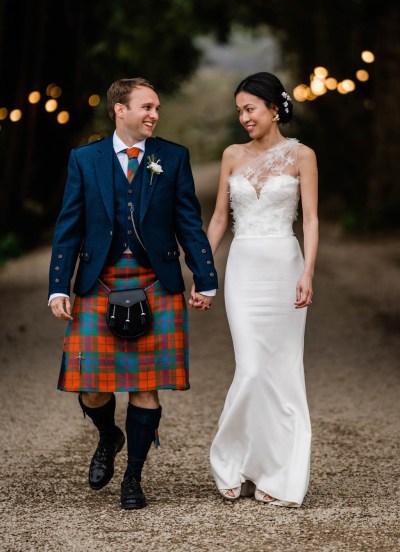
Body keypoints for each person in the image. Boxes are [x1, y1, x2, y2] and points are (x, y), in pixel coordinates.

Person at [48, 77, 217, 511]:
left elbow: (188, 222)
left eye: (157, 107)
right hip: (97, 281)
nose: (154, 115)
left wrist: (205, 275)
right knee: (91, 387)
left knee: (145, 387)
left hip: (154, 280)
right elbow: (68, 226)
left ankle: (133, 477)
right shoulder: (85, 159)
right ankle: (109, 435)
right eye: (146, 107)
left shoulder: (172, 157)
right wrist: (57, 287)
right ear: (119, 110)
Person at [207, 71, 318, 507]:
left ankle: (276, 472)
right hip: (243, 270)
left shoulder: (303, 156)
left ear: (274, 108)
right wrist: (202, 270)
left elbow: (309, 219)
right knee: (252, 368)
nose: (244, 118)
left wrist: (308, 272)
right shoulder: (231, 155)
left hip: (285, 267)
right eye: (239, 111)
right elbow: (218, 218)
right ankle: (233, 462)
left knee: (282, 372)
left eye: (250, 109)